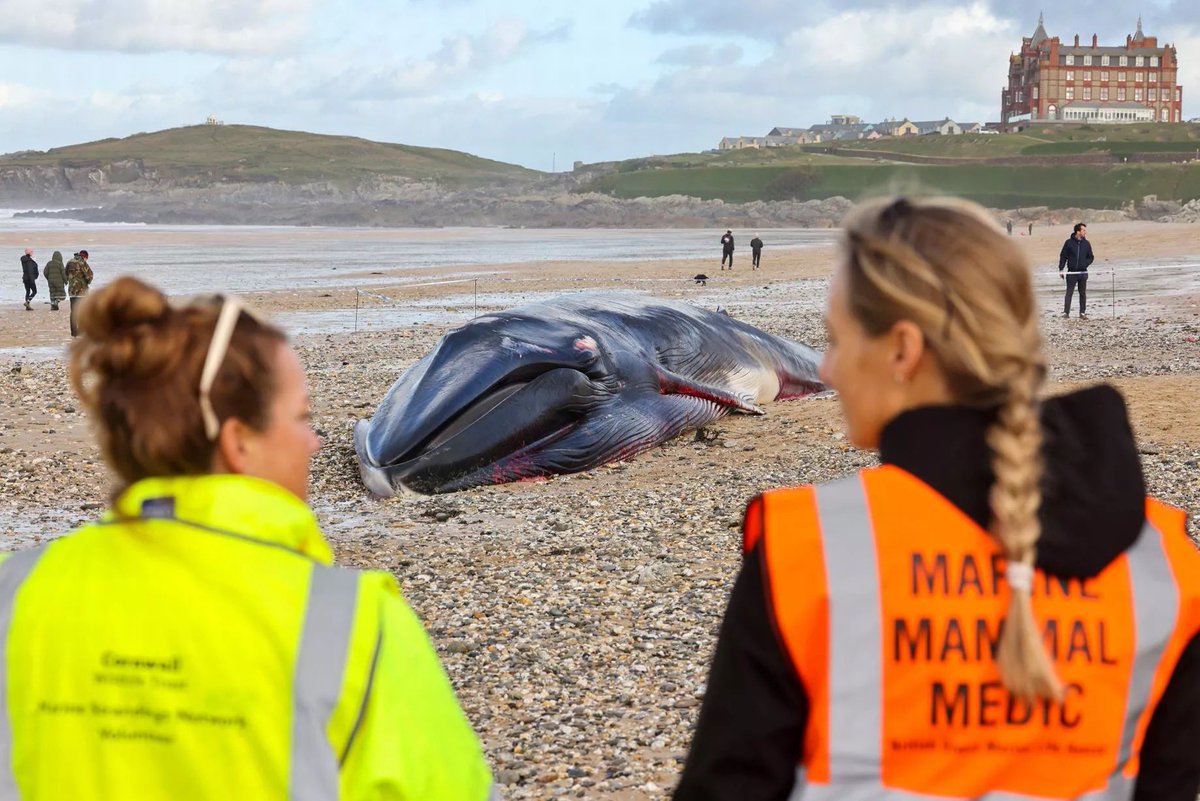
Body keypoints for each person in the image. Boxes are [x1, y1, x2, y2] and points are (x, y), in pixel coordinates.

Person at [675, 197, 1200, 801]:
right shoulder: (1163, 561)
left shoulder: (812, 548)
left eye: (837, 340)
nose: (828, 368)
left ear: (902, 350)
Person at [0, 277, 496, 799]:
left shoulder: (14, 589)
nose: (315, 441)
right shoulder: (353, 624)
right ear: (238, 443)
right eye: (301, 418)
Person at [1058, 222, 1094, 319]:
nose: (1085, 232)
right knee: (1069, 293)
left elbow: (1091, 257)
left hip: (1082, 272)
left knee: (1082, 293)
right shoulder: (1069, 243)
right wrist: (1061, 269)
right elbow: (1063, 256)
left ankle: (1082, 313)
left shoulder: (1086, 243)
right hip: (1072, 272)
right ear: (1078, 231)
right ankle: (1066, 313)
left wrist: (1085, 264)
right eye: (1083, 230)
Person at [65, 249, 94, 336]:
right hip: (82, 292)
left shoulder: (69, 262)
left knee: (73, 312)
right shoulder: (82, 263)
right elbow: (89, 276)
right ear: (84, 257)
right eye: (86, 259)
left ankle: (74, 332)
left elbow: (65, 274)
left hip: (72, 291)